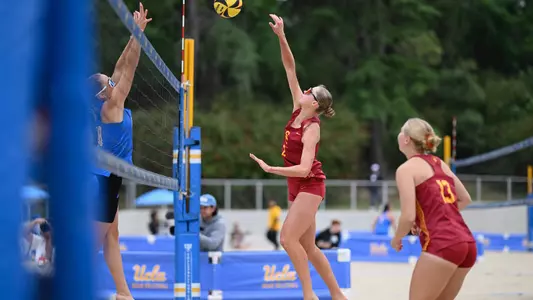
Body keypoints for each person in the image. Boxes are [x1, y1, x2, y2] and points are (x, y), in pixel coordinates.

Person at [249, 14, 347, 300]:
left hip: (310, 184)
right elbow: (289, 67)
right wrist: (281, 35)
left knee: (287, 239)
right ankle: (338, 295)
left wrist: (271, 168)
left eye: (309, 91)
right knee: (309, 246)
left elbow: (304, 169)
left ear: (314, 103)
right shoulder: (297, 108)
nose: (304, 90)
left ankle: (309, 295)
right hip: (297, 185)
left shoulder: (312, 128)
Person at [89, 4, 151, 300]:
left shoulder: (105, 98)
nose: (112, 80)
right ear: (105, 93)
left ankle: (124, 293)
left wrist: (133, 33)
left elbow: (120, 65)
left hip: (103, 174)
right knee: (94, 244)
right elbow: (131, 68)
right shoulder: (112, 106)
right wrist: (138, 35)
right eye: (108, 82)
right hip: (105, 181)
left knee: (111, 237)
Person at [391, 118, 476, 300]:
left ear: (406, 139)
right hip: (467, 243)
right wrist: (429, 218)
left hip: (443, 242)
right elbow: (465, 199)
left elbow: (407, 216)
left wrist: (397, 238)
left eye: (401, 131)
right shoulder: (439, 163)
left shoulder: (406, 169)